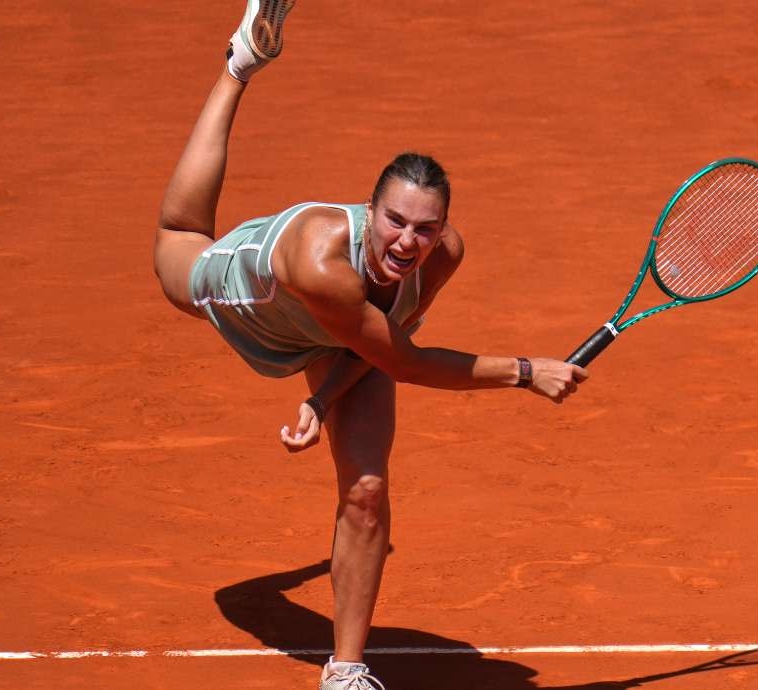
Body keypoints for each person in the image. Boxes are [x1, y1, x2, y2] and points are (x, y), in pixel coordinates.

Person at [151, 2, 589, 687]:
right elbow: (404, 363)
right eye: (393, 221)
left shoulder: (440, 257)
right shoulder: (324, 263)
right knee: (181, 234)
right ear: (368, 210)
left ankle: (346, 671)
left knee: (367, 490)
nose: (407, 242)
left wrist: (323, 402)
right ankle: (240, 64)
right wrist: (526, 371)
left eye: (425, 227)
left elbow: (383, 343)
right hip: (244, 300)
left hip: (333, 340)